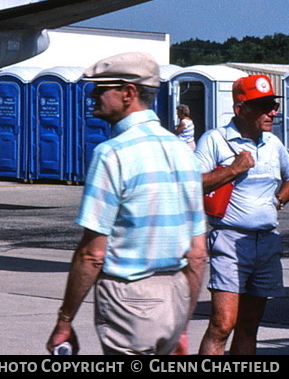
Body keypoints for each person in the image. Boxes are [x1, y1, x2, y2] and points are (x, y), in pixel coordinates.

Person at [46, 52, 206, 355]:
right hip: (175, 294)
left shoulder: (112, 154)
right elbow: (197, 254)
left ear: (128, 93)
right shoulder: (183, 152)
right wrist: (183, 323)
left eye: (102, 88)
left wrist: (65, 321)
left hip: (129, 297)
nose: (93, 94)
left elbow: (93, 254)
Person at [194, 74, 289, 356]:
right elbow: (191, 182)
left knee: (249, 327)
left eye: (273, 104)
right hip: (229, 241)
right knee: (223, 324)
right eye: (263, 105)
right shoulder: (215, 139)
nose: (272, 111)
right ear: (240, 109)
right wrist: (233, 170)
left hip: (266, 242)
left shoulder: (273, 143)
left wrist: (279, 199)